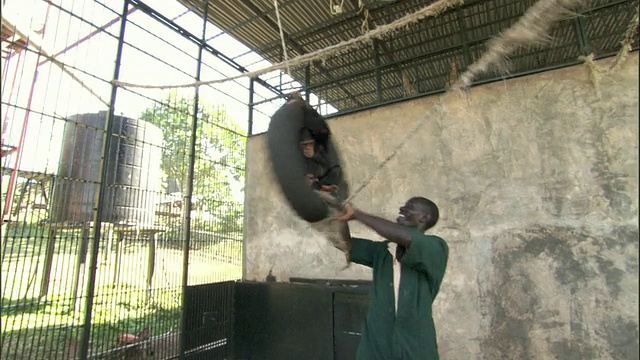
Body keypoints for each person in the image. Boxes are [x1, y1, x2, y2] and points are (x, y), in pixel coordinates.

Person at [332, 197, 448, 360]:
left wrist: (357, 214)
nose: (402, 209)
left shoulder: (435, 247)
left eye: (410, 207)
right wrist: (330, 213)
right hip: (377, 345)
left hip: (414, 345)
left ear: (424, 218)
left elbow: (406, 238)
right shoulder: (383, 251)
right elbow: (345, 243)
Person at [299, 128, 341, 193]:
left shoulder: (320, 150)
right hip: (309, 182)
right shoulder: (298, 155)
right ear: (300, 146)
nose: (307, 148)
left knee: (336, 169)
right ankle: (322, 187)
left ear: (314, 144)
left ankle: (323, 186)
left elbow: (330, 166)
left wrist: (314, 156)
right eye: (305, 145)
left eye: (310, 144)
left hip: (321, 179)